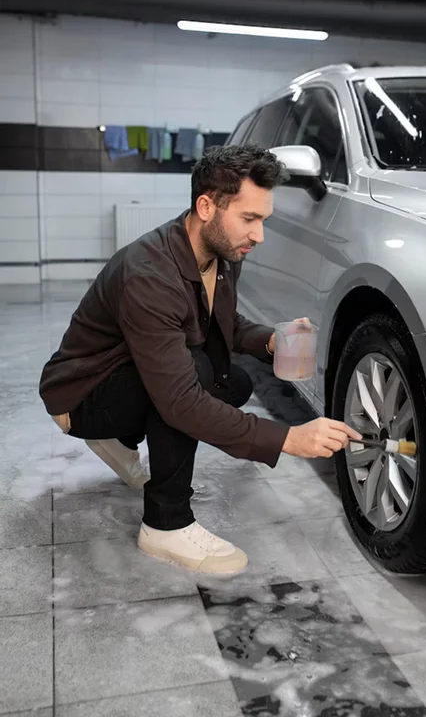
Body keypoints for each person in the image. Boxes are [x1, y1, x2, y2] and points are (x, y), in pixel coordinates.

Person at [39, 144, 361, 575]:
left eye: (263, 220)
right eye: (249, 219)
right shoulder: (150, 274)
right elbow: (181, 403)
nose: (259, 235)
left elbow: (217, 319)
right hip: (80, 393)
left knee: (235, 383)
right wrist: (289, 439)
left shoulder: (219, 253)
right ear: (206, 206)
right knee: (195, 376)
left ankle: (119, 439)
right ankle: (165, 524)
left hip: (126, 372)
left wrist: (269, 340)